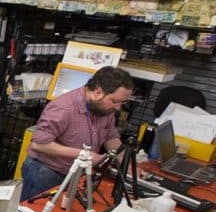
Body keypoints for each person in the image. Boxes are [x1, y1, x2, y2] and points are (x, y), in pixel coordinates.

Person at [21, 66, 134, 201]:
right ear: (98, 92)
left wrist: (127, 165)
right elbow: (38, 145)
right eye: (115, 101)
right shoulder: (63, 108)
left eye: (122, 102)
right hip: (46, 173)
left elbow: (110, 136)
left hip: (76, 174)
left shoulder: (105, 109)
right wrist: (84, 155)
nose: (118, 107)